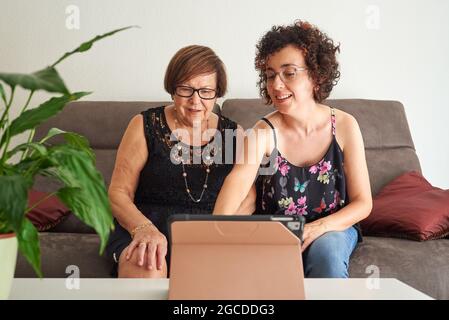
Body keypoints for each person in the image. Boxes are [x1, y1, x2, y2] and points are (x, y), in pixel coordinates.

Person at [213, 21, 372, 278]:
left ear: (316, 75)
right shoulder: (263, 132)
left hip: (333, 228)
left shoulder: (344, 125)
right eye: (270, 74)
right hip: (275, 230)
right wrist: (212, 235)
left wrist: (317, 228)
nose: (276, 85)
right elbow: (238, 181)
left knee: (326, 255)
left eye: (289, 73)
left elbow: (363, 203)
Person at [106, 45, 251, 278]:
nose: (196, 101)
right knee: (148, 264)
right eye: (186, 89)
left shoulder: (234, 134)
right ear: (173, 90)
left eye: (206, 91)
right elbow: (118, 192)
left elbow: (248, 197)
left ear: (217, 93)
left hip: (208, 234)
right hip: (145, 226)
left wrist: (222, 233)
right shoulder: (144, 124)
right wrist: (144, 230)